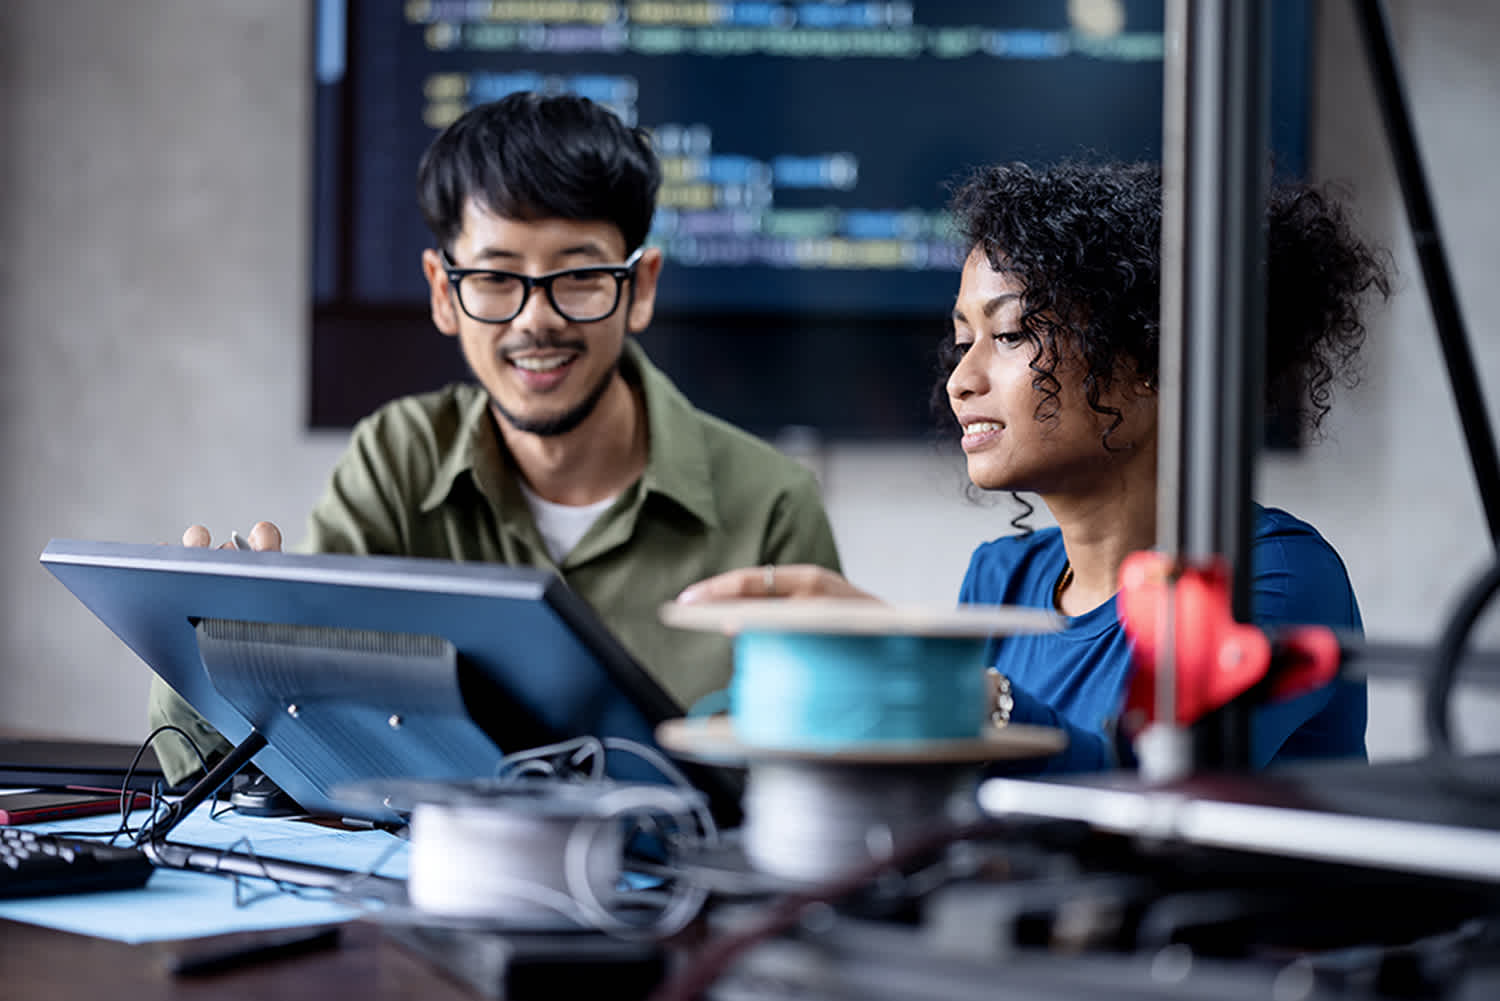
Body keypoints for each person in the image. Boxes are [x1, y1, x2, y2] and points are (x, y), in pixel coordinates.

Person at [148, 92, 841, 785]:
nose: (536, 319)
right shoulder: (397, 460)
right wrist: (214, 649)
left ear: (642, 286)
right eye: (494, 277)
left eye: (578, 276)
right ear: (444, 292)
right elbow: (299, 745)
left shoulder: (772, 504)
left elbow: (820, 779)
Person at [677, 159, 1391, 774]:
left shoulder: (1276, 575)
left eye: (1011, 333)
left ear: (1150, 360)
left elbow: (1149, 788)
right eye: (963, 340)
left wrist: (942, 677)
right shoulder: (1001, 577)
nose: (961, 379)